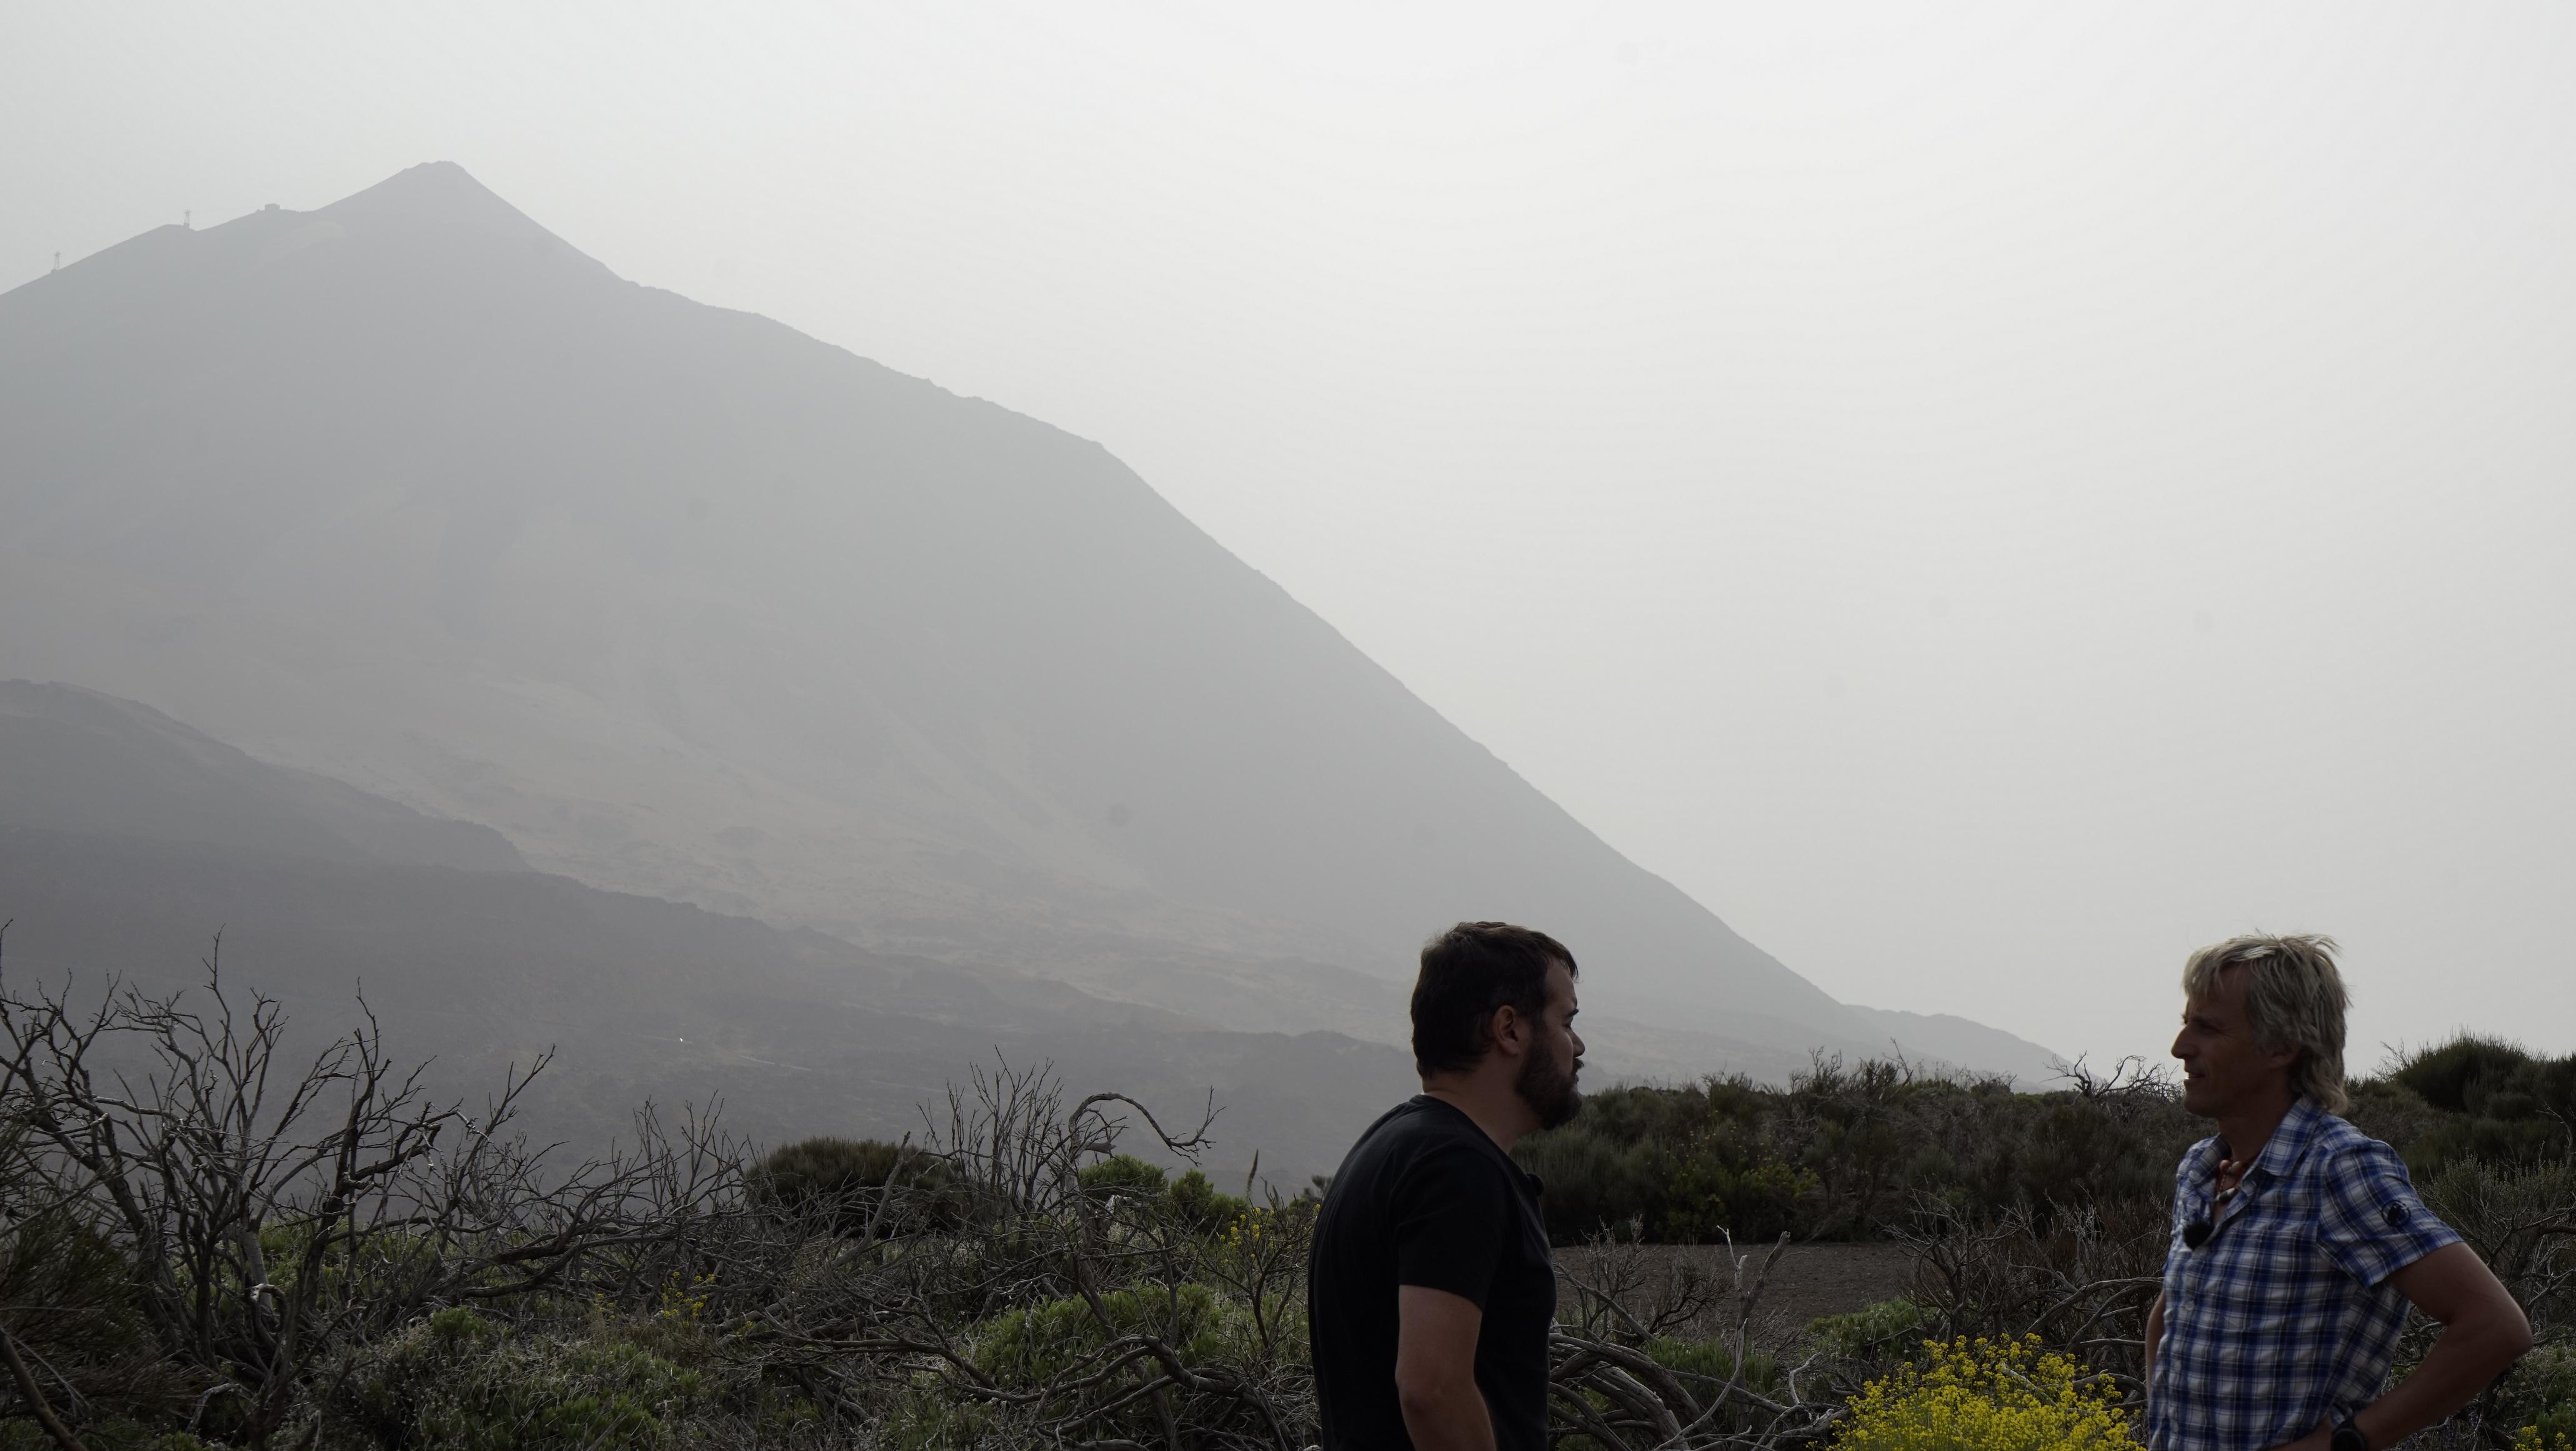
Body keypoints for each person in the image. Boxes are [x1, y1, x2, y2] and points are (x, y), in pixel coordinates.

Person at [2145, 934, 2531, 1451]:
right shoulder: (2202, 1168)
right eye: (2186, 1021)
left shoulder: (2338, 1169)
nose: (2180, 1046)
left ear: (2282, 1046)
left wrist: (2347, 1443)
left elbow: (2496, 1327)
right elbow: (2174, 1311)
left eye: (2208, 1028)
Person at [1307, 922, 1585, 1451]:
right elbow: (1431, 1389)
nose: (1577, 1044)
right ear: (1510, 1030)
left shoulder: (1395, 1144)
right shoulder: (1458, 1171)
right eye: (1565, 1021)